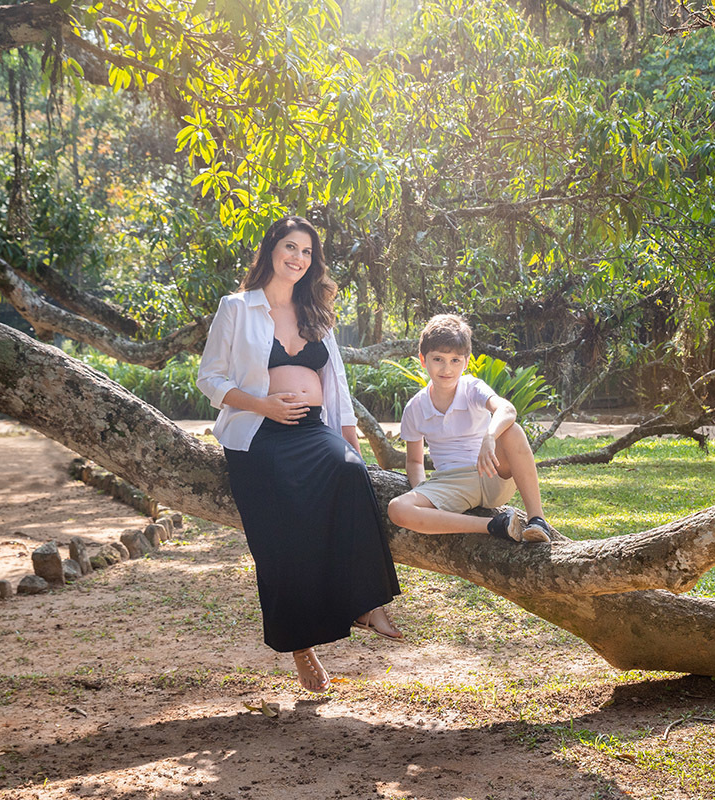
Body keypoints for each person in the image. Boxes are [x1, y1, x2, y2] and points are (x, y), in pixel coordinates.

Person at [196, 215, 402, 694]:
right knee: (279, 537)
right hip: (258, 434)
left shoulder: (317, 310)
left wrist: (350, 441)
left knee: (352, 474)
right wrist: (263, 403)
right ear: (271, 249)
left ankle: (368, 602)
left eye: (307, 252)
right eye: (291, 247)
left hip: (313, 429)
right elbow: (210, 378)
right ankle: (301, 649)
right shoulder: (236, 307)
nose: (298, 258)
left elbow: (339, 385)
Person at [386, 314, 552, 543]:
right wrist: (423, 491)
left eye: (455, 360)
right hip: (450, 483)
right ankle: (497, 525)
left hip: (491, 472)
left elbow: (507, 409)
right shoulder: (415, 407)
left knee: (512, 431)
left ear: (466, 361)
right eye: (438, 359)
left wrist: (490, 437)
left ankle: (537, 520)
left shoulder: (472, 387)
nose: (447, 368)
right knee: (397, 509)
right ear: (423, 360)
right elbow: (414, 462)